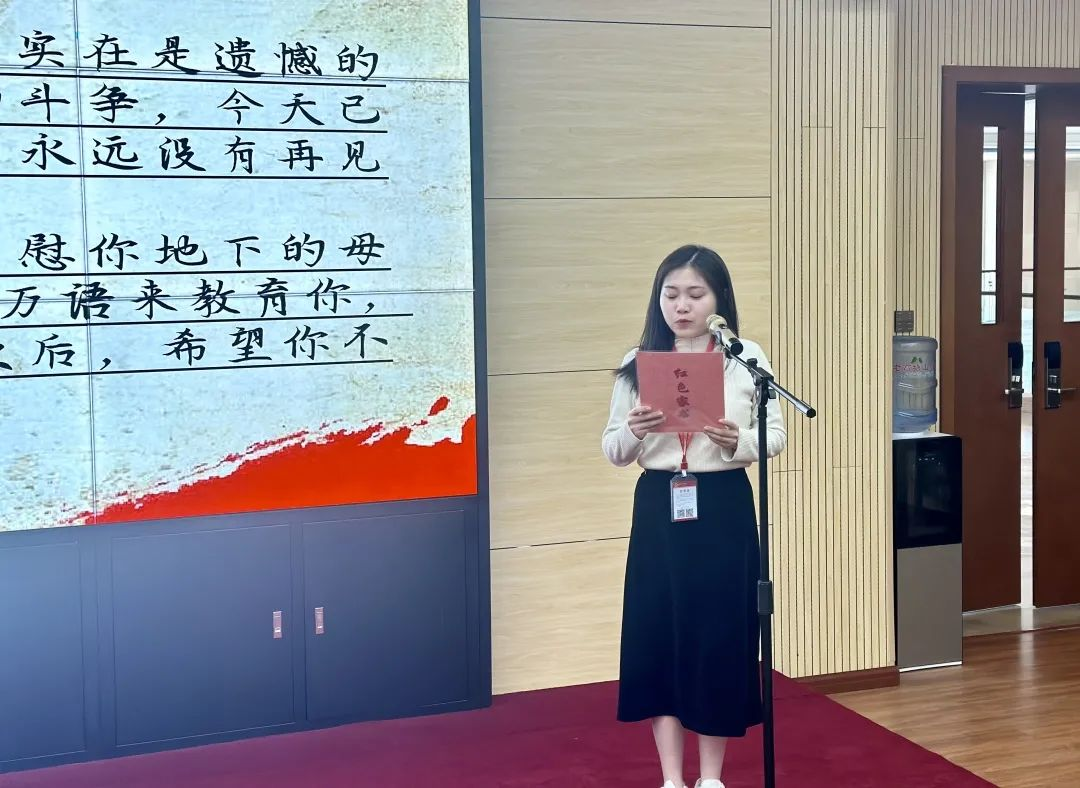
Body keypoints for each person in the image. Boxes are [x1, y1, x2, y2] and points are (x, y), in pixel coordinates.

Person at [601, 244, 787, 788]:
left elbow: (775, 435)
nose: (681, 306)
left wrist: (738, 441)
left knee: (717, 637)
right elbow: (613, 450)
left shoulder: (746, 358)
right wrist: (633, 430)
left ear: (719, 298)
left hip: (723, 505)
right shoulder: (637, 361)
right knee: (659, 634)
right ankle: (671, 779)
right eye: (671, 294)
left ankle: (711, 778)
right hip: (660, 508)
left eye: (695, 294)